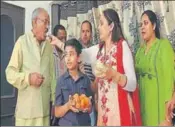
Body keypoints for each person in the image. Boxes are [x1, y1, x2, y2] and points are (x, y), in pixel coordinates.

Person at [5, 8, 56, 126]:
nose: (48, 26)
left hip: (45, 113)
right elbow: (10, 73)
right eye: (45, 22)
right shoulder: (22, 42)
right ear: (34, 22)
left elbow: (52, 75)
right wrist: (28, 78)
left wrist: (54, 102)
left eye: (48, 22)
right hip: (26, 115)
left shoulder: (49, 46)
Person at [92, 8, 140, 126]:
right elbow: (79, 53)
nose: (98, 27)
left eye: (101, 23)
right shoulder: (100, 50)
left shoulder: (121, 45)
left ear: (111, 26)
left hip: (119, 110)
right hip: (103, 112)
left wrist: (114, 74)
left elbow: (133, 84)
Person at [135, 10, 175, 126]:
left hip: (162, 104)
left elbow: (171, 75)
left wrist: (172, 101)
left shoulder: (163, 46)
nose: (142, 27)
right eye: (140, 24)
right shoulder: (139, 51)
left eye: (146, 23)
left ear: (154, 25)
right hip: (144, 104)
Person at [54, 38, 93, 126]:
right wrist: (68, 106)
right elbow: (56, 112)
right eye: (66, 55)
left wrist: (88, 106)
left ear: (78, 58)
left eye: (71, 54)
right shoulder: (61, 81)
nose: (68, 58)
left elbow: (90, 108)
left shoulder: (86, 80)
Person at [50, 24, 67, 126]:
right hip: (53, 101)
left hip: (66, 101)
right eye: (61, 38)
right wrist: (53, 103)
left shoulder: (68, 54)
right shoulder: (49, 53)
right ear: (55, 38)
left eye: (65, 38)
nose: (63, 41)